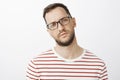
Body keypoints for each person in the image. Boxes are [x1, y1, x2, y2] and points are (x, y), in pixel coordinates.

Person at [26, 3, 108, 80]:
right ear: (49, 32)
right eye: (53, 24)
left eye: (64, 20)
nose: (61, 28)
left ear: (74, 22)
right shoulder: (36, 66)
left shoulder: (98, 66)